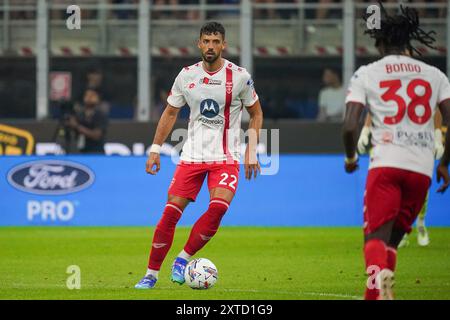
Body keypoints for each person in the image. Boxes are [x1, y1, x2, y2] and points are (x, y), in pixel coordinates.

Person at [135, 21, 263, 289]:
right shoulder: (186, 76)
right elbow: (170, 113)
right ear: (199, 43)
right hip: (192, 156)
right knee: (170, 213)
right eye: (206, 41)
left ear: (224, 45)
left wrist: (251, 149)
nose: (210, 46)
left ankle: (182, 259)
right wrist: (155, 149)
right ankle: (151, 274)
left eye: (216, 42)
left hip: (225, 157)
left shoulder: (239, 76)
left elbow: (256, 113)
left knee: (218, 208)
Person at [342, 2, 450, 300]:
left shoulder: (368, 73)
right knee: (391, 241)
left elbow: (350, 125)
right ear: (408, 40)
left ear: (380, 42)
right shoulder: (435, 74)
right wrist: (444, 164)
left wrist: (351, 158)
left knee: (374, 239)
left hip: (387, 163)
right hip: (422, 168)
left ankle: (377, 283)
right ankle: (381, 289)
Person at [357, 111, 446, 247]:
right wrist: (366, 130)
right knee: (393, 189)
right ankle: (399, 230)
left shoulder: (423, 90)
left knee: (419, 189)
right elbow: (374, 105)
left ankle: (421, 223)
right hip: (391, 141)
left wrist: (438, 136)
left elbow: (436, 107)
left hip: (419, 140)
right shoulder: (387, 91)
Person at [66, 89, 109, 154]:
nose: (89, 98)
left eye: (92, 95)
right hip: (80, 152)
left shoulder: (100, 115)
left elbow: (96, 135)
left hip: (96, 152)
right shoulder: (79, 115)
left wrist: (77, 126)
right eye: (87, 95)